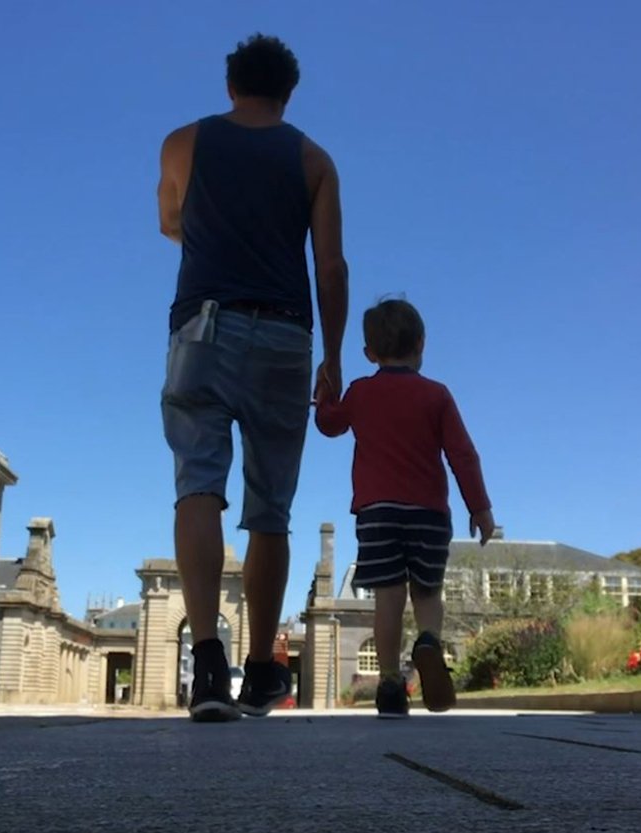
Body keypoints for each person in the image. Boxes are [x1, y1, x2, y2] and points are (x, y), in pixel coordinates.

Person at [157, 33, 348, 721]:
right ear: (288, 93)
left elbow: (169, 220)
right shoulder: (314, 159)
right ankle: (263, 668)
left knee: (198, 482)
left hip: (202, 328)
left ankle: (207, 658)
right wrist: (332, 357)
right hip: (287, 334)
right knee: (271, 507)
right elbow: (330, 265)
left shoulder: (182, 143)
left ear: (231, 84)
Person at [314, 298, 496, 718]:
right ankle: (429, 641)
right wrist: (481, 508)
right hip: (429, 513)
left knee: (388, 596)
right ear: (421, 343)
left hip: (377, 512)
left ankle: (391, 683)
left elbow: (329, 425)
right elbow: (463, 455)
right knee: (427, 592)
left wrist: (324, 392)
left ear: (369, 353)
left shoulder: (361, 392)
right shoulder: (437, 395)